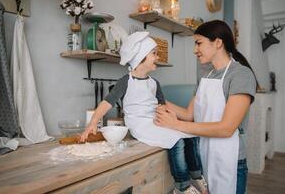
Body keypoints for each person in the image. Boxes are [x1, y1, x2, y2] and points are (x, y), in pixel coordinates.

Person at [80, 31, 208, 194]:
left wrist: (169, 116)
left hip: (156, 121)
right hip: (139, 124)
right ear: (140, 58)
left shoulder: (154, 83)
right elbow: (107, 102)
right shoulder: (126, 81)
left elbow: (162, 105)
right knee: (176, 140)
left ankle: (196, 175)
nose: (157, 57)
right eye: (154, 54)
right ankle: (182, 186)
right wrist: (93, 122)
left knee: (190, 135)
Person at [155, 20, 257, 194]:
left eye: (198, 43)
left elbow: (226, 128)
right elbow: (189, 114)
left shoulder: (241, 75)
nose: (195, 50)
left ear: (218, 43)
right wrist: (157, 100)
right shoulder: (205, 74)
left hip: (228, 160)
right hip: (202, 156)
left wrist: (176, 124)